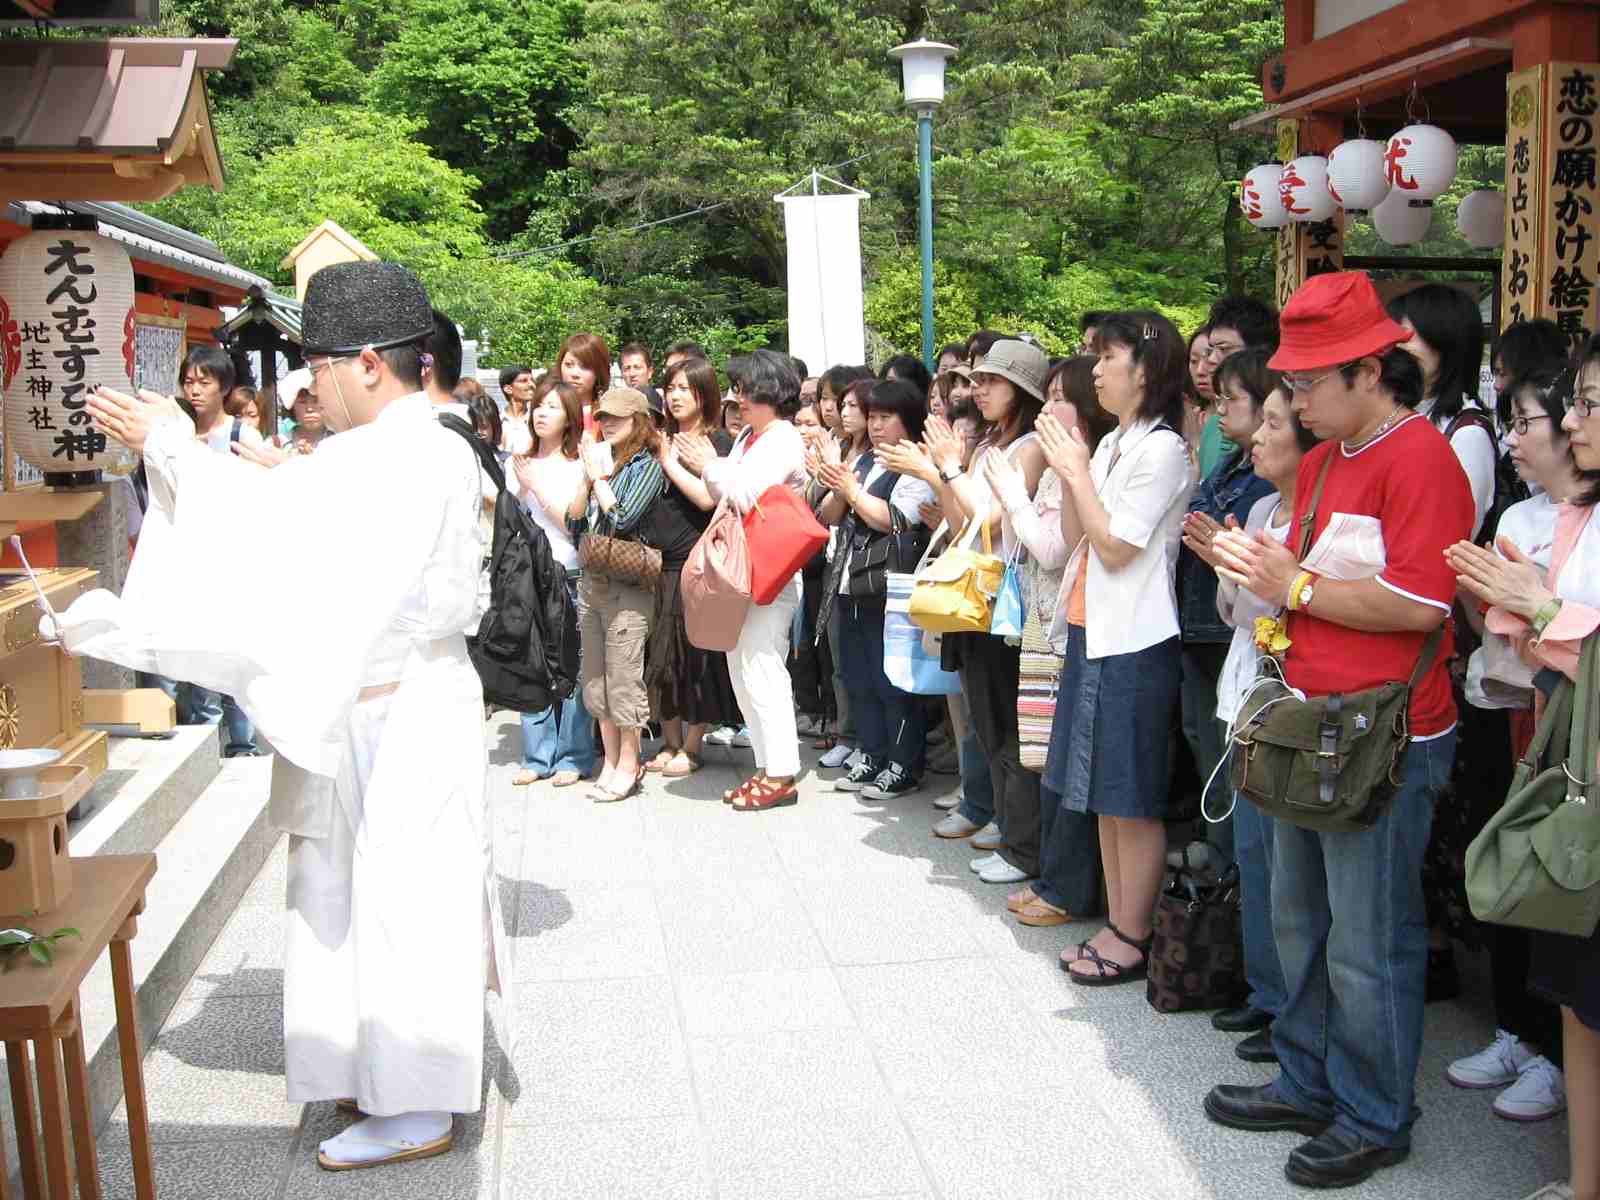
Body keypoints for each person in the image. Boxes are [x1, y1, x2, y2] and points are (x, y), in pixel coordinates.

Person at [69, 260, 503, 1171]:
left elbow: (293, 535)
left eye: (322, 365)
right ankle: (366, 1067)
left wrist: (178, 451)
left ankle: (418, 1098)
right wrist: (187, 453)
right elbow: (296, 514)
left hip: (406, 714)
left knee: (403, 901)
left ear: (374, 364)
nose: (312, 384)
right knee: (345, 895)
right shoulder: (387, 448)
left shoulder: (417, 450)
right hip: (371, 709)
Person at [1206, 271, 1473, 1189]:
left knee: (1368, 936)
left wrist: (1296, 587)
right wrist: (1265, 580)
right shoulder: (1320, 461)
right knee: (1300, 920)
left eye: (1312, 382)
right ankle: (1309, 1078)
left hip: (1385, 735)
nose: (1297, 399)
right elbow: (1295, 585)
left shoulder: (1422, 459)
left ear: (1370, 370)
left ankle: (1374, 1112)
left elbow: (1421, 604)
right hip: (1307, 719)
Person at [1450, 338, 1600, 1200]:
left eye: (1584, 403)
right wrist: (1524, 607)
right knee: (1579, 989)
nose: (1572, 421)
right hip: (1568, 756)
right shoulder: (1574, 513)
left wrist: (1542, 607)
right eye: (1570, 403)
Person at [1025, 313, 1195, 963]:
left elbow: (1118, 546)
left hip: (1135, 637)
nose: (1095, 370)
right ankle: (1119, 926)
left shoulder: (1163, 449)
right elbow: (1077, 534)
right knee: (1099, 792)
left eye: (1108, 358)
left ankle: (1132, 932)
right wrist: (1073, 470)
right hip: (1088, 628)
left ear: (1145, 371)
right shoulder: (1114, 443)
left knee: (1130, 794)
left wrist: (1075, 472)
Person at [882, 340, 1049, 884]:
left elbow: (993, 520)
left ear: (1021, 389)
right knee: (983, 719)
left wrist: (941, 471)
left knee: (1006, 727)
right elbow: (960, 523)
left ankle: (1020, 840)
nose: (977, 390)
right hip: (977, 596)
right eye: (976, 381)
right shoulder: (987, 446)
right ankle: (1002, 821)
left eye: (990, 382)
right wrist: (945, 473)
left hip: (1005, 597)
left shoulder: (1027, 447)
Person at [1189, 376, 1314, 1063]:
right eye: (1260, 420)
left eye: (1274, 424)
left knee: (1290, 876)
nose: (1259, 437)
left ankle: (1293, 1008)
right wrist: (1228, 570)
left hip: (1293, 708)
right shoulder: (1263, 506)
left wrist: (1257, 580)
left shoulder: (1318, 517)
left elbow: (1294, 611)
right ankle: (1268, 994)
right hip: (1247, 695)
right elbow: (1235, 614)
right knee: (1256, 855)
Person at [1389, 283, 1502, 1001]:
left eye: (1407, 340)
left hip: (1446, 641)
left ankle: (1434, 949)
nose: (1394, 351)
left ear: (1444, 344)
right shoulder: (1416, 420)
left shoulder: (1464, 432)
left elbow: (1446, 541)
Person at [974, 355, 1115, 906]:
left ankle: (1046, 868)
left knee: (1048, 751)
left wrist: (1011, 493)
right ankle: (1040, 866)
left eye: (1061, 397)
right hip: (1043, 617)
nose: (1049, 407)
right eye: (1049, 394)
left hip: (1064, 623)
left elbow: (1053, 549)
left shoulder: (1081, 467)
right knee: (1037, 746)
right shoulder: (1060, 466)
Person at [1175, 347, 1275, 862]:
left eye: (1230, 400)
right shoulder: (1234, 462)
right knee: (1203, 738)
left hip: (1232, 629)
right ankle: (1218, 854)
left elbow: (1238, 552)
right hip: (1202, 616)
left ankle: (1229, 862)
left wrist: (1224, 551)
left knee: (1227, 748)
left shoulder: (1267, 477)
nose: (1219, 411)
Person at [697, 350, 808, 810]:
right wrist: (719, 470)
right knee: (742, 668)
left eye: (744, 390)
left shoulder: (783, 439)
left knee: (763, 666)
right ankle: (766, 766)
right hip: (742, 567)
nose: (736, 398)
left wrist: (710, 463)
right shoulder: (748, 436)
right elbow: (720, 490)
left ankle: (781, 772)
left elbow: (744, 493)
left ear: (770, 393)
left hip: (771, 571)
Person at [814, 379, 933, 799]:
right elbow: (829, 513)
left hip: (890, 584)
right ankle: (872, 751)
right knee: (859, 675)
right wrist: (838, 485)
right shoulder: (867, 460)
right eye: (874, 417)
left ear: (909, 420)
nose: (877, 425)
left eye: (887, 417)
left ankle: (903, 764)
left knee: (892, 679)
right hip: (851, 580)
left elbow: (896, 518)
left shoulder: (918, 463)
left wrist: (850, 491)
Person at [567, 386, 664, 803]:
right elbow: (575, 525)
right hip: (592, 578)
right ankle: (609, 758)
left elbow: (623, 518)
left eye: (617, 418)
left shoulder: (647, 467)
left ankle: (630, 761)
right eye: (603, 417)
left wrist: (601, 480)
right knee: (594, 678)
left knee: (624, 678)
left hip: (627, 584)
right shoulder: (601, 462)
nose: (607, 424)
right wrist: (586, 480)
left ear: (639, 421)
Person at [644, 357, 738, 777]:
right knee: (659, 655)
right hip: (654, 561)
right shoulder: (658, 437)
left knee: (696, 656)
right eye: (671, 387)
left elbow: (706, 499)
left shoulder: (715, 443)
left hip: (696, 563)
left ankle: (693, 743)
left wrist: (668, 461)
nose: (676, 395)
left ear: (704, 393)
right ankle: (669, 739)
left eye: (686, 388)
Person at [511, 377, 598, 788]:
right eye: (538, 406)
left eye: (551, 407)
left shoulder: (576, 466)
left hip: (571, 573)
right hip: (529, 576)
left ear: (569, 419)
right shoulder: (522, 460)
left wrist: (534, 488)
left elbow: (573, 526)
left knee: (573, 665)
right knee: (532, 664)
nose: (541, 413)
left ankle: (574, 754)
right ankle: (537, 753)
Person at [558, 332, 611, 431]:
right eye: (569, 365)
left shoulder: (610, 414)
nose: (575, 374)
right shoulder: (546, 410)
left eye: (585, 367)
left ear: (599, 371)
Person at [497, 365, 534, 456]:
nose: (532, 385)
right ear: (508, 389)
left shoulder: (536, 420)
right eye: (524, 381)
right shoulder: (497, 422)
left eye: (532, 380)